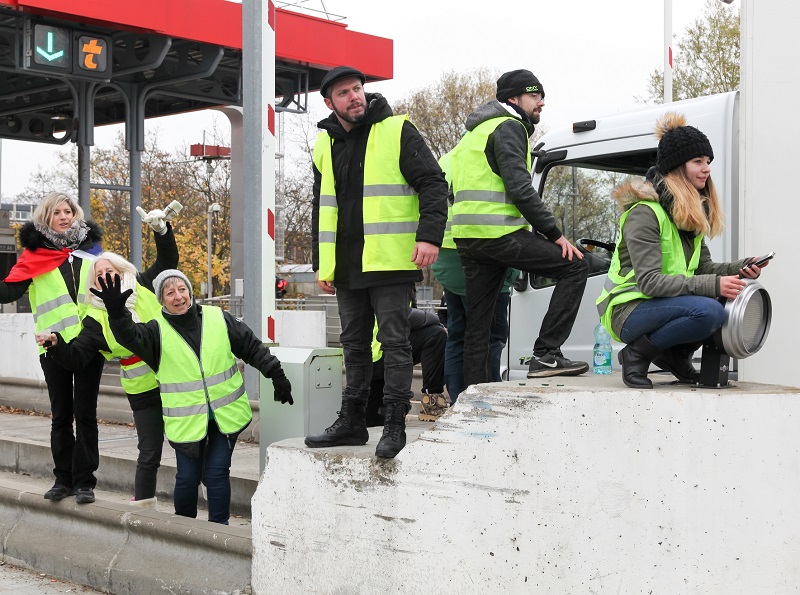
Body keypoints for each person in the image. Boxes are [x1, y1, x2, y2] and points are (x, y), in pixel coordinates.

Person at [304, 65, 448, 458]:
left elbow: (434, 183)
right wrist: (322, 262)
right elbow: (322, 206)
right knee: (353, 344)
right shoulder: (324, 143)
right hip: (347, 263)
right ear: (329, 102)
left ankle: (395, 424)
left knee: (395, 343)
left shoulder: (397, 129)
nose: (355, 97)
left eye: (358, 89)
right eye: (345, 93)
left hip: (389, 259)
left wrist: (429, 236)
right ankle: (352, 422)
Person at [90, 269, 293, 524]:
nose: (178, 297)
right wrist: (117, 313)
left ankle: (220, 530)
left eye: (182, 289)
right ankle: (185, 530)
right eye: (170, 292)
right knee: (187, 477)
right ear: (161, 300)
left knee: (217, 472)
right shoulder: (155, 331)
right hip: (186, 421)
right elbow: (129, 335)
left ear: (190, 291)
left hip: (225, 416)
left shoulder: (217, 317)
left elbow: (251, 346)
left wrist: (276, 374)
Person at [596, 113, 769, 389]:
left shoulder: (687, 216)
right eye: (698, 162)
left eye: (708, 162)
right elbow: (650, 282)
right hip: (627, 310)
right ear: (677, 167)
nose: (706, 169)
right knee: (709, 310)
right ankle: (636, 354)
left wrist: (740, 268)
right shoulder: (645, 213)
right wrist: (714, 284)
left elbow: (703, 269)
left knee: (722, 302)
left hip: (659, 306)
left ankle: (676, 358)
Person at [449, 69, 589, 387]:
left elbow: (452, 188)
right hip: (499, 235)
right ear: (513, 98)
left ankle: (472, 400)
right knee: (575, 266)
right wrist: (554, 234)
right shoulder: (509, 127)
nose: (541, 102)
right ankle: (546, 354)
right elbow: (519, 188)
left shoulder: (473, 133)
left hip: (469, 239)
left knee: (478, 327)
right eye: (534, 95)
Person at [41, 219, 178, 507]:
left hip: (177, 376)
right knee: (149, 451)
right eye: (99, 273)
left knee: (188, 446)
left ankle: (187, 509)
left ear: (121, 270)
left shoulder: (142, 285)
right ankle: (144, 508)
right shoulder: (94, 316)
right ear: (94, 282)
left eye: (110, 270)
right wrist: (56, 344)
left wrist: (161, 231)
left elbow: (167, 261)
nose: (105, 275)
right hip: (141, 387)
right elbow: (77, 357)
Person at [0, 192, 104, 504]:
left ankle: (85, 482)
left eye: (68, 211)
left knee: (86, 414)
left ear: (76, 214)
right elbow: (8, 291)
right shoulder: (34, 255)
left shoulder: (91, 250)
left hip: (88, 344)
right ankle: (64, 480)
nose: (64, 216)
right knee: (61, 415)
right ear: (46, 217)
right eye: (56, 212)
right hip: (52, 345)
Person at [432, 150, 519, 403]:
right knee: (490, 334)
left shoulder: (447, 159)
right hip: (483, 249)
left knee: (458, 332)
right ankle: (485, 398)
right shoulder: (492, 156)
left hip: (447, 252)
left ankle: (459, 400)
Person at [366, 308, 447, 426]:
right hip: (381, 357)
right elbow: (405, 316)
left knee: (372, 417)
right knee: (436, 334)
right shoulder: (388, 291)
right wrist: (437, 321)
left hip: (365, 365)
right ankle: (431, 403)